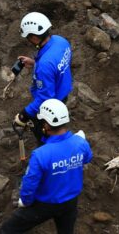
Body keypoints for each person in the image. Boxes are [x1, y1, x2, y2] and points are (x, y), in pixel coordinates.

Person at [0, 99, 92, 234]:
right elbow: (87, 158)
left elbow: (30, 184)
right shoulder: (81, 143)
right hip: (70, 202)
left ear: (47, 125)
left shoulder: (40, 154)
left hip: (45, 204)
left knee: (7, 230)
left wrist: (25, 201)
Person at [14, 12, 73, 144]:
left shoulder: (45, 65)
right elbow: (57, 66)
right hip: (63, 91)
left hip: (52, 103)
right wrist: (36, 64)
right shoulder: (60, 41)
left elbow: (45, 98)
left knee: (44, 131)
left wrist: (24, 114)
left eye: (28, 37)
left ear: (34, 37)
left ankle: (48, 149)